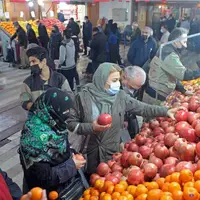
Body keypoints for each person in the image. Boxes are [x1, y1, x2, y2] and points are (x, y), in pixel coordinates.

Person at [68, 62, 183, 175]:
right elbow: (71, 124)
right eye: (114, 81)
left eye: (118, 80)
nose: (117, 84)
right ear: (101, 79)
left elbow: (142, 108)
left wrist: (165, 111)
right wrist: (91, 127)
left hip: (111, 152)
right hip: (89, 152)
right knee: (91, 180)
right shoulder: (82, 97)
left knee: (107, 182)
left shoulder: (120, 97)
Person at [19, 88, 86, 194]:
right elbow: (41, 179)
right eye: (63, 113)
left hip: (63, 189)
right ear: (50, 111)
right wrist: (72, 165)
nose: (66, 117)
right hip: (45, 194)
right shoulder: (33, 139)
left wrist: (72, 154)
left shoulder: (54, 124)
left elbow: (61, 149)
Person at [144, 28, 200, 105]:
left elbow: (172, 73)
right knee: (153, 115)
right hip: (156, 95)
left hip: (155, 91)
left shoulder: (166, 48)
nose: (186, 46)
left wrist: (182, 90)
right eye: (184, 42)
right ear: (176, 41)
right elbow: (184, 74)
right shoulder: (169, 54)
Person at [20, 46, 71, 111]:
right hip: (38, 119)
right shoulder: (27, 83)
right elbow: (24, 102)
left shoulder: (60, 79)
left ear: (44, 61)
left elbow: (69, 97)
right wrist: (38, 108)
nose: (31, 65)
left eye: (33, 61)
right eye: (30, 62)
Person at [121, 66, 147, 138]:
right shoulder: (116, 87)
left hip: (131, 114)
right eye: (133, 86)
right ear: (126, 78)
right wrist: (124, 119)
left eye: (139, 86)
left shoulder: (137, 85)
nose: (137, 88)